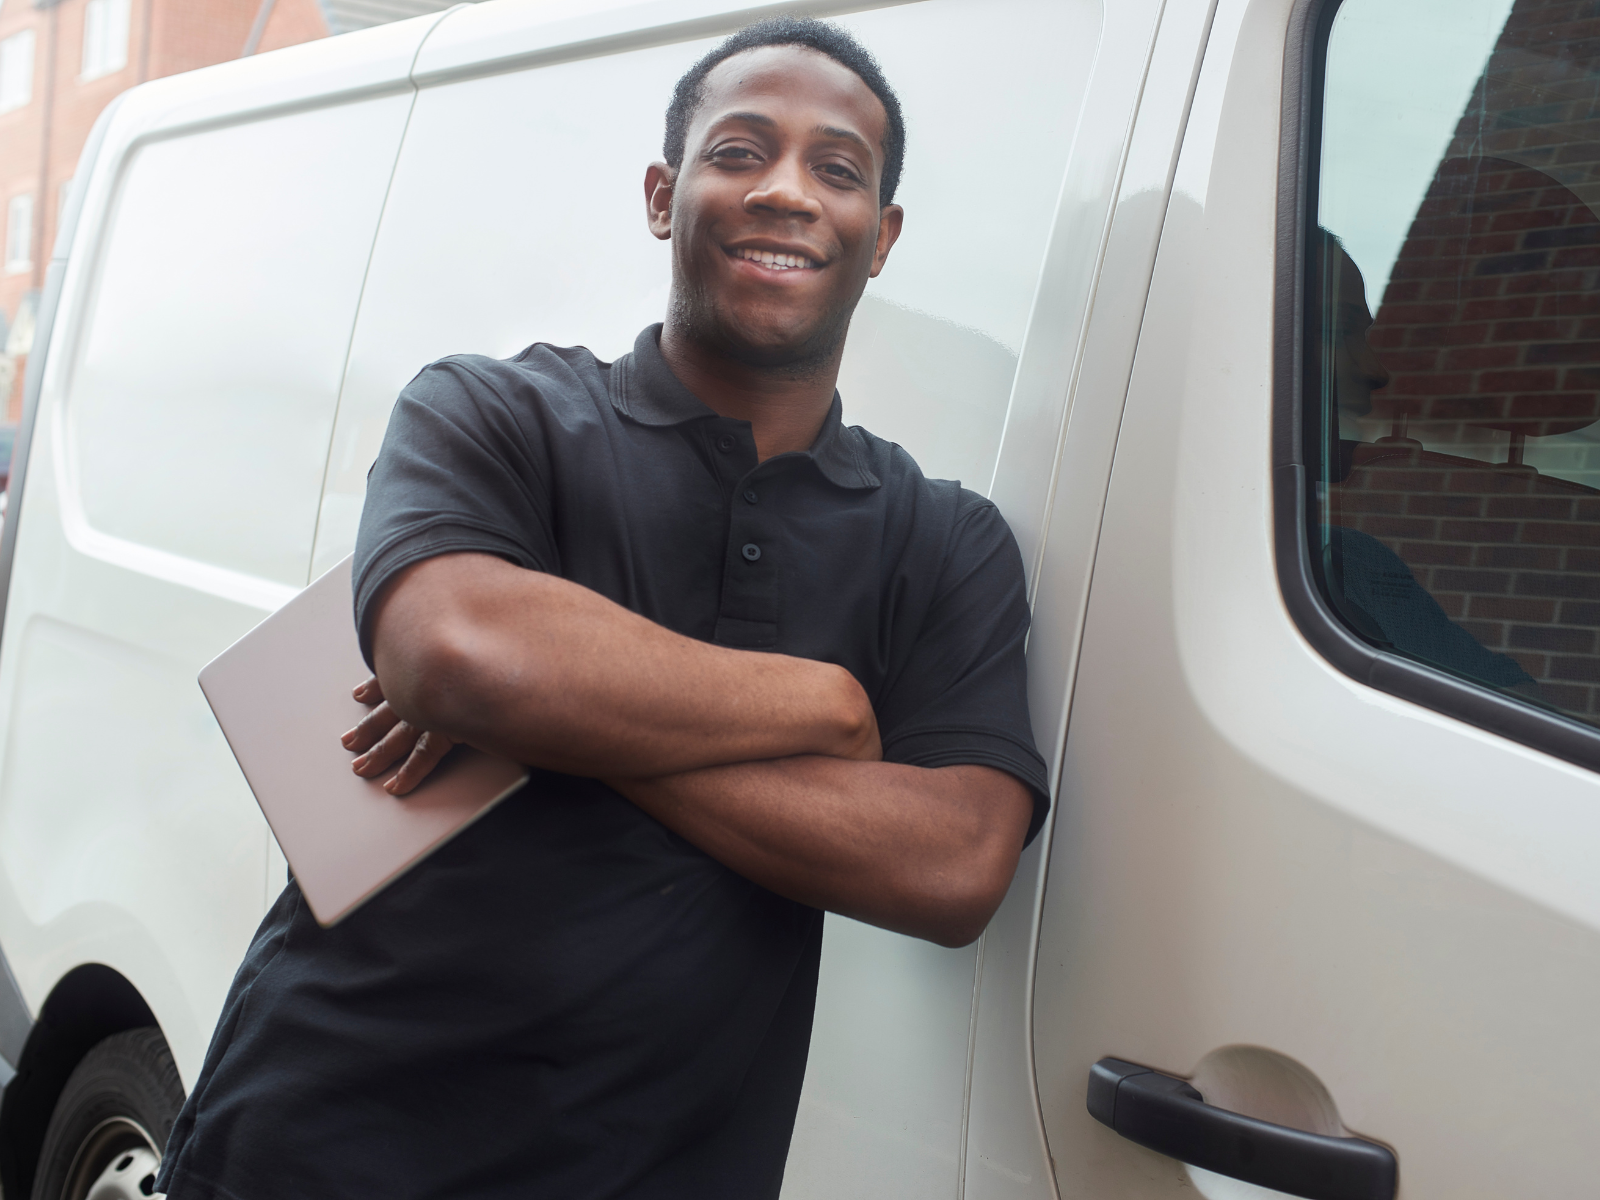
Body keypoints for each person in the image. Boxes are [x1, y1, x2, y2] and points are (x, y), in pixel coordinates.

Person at [156, 18, 1049, 1200]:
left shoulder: (942, 540)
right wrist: (821, 703)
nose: (786, 190)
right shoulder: (493, 412)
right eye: (740, 151)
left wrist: (554, 709)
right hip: (320, 1143)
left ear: (878, 238)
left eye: (836, 169)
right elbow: (457, 655)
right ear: (661, 195)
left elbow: (953, 866)